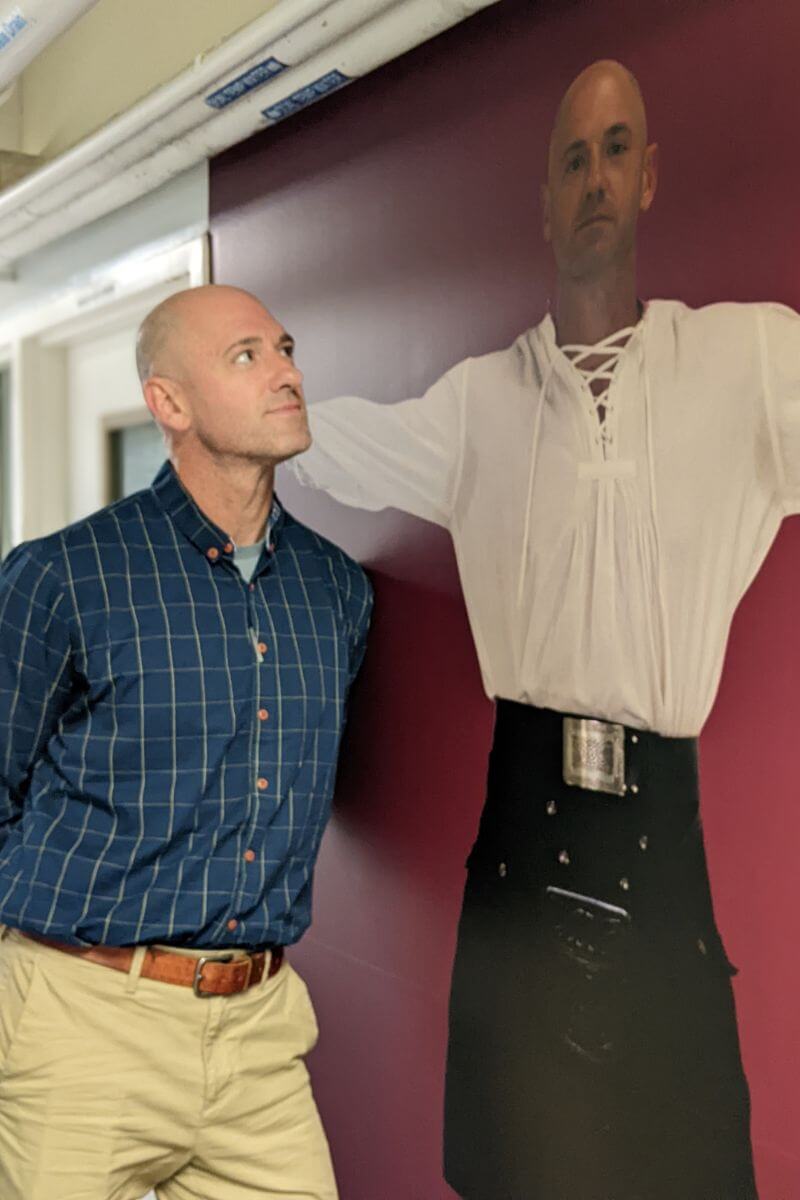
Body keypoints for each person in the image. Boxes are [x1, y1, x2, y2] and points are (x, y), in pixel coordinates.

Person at [287, 60, 800, 1199]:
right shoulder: (481, 404)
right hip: (519, 833)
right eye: (571, 158)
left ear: (650, 174)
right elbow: (329, 441)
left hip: (663, 837)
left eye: (616, 149)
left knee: (685, 1172)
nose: (594, 179)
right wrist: (228, 396)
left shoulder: (750, 364)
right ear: (543, 199)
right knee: (517, 1172)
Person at [0, 284, 372, 1200]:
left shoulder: (336, 591)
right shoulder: (60, 578)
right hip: (81, 1017)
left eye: (284, 349)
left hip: (261, 1035)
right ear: (168, 404)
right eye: (246, 357)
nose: (287, 372)